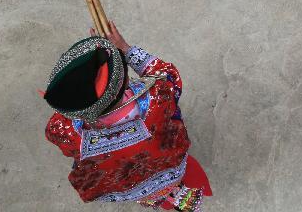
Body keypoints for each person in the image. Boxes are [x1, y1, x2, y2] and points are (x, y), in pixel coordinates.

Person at [44, 23, 211, 210]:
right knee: (165, 164)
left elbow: (56, 128)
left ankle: (154, 198)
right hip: (167, 165)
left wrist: (75, 99)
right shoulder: (158, 98)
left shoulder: (67, 132)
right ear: (124, 78)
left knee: (142, 187)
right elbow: (168, 74)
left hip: (128, 184)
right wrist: (126, 49)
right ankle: (174, 191)